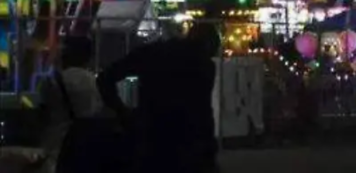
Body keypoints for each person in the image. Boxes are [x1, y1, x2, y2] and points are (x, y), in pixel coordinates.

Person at [97, 22, 220, 173]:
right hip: (191, 146)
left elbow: (105, 78)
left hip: (151, 140)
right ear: (208, 45)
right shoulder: (205, 66)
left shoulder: (151, 54)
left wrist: (122, 112)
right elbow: (203, 113)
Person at [37, 36, 104, 173]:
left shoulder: (52, 82)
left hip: (57, 147)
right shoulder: (95, 82)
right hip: (88, 147)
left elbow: (42, 115)